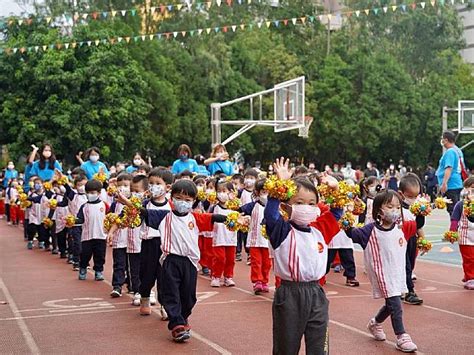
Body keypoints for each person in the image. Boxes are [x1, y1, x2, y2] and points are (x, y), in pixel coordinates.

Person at [113, 179, 245, 342]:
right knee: (171, 294)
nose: (183, 203)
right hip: (170, 261)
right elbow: (143, 212)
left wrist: (232, 218)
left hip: (189, 262)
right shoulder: (163, 216)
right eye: (179, 198)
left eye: (188, 200)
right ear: (172, 198)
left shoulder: (196, 218)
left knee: (189, 297)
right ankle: (176, 324)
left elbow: (214, 217)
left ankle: (183, 317)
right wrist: (125, 201)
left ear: (194, 201)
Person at [265, 157, 342, 355]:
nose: (306, 207)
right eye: (299, 202)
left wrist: (334, 188)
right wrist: (279, 185)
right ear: (286, 206)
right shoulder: (282, 231)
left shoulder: (319, 231)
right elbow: (271, 215)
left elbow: (336, 213)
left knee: (319, 346)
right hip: (290, 294)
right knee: (286, 347)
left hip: (316, 293)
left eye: (311, 203)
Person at [345, 190, 425, 353]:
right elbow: (352, 234)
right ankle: (401, 336)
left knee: (391, 304)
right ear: (379, 210)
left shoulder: (400, 228)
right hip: (382, 274)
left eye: (397, 206)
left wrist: (421, 213)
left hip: (398, 273)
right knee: (395, 304)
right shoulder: (369, 231)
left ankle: (375, 323)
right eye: (390, 206)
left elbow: (417, 225)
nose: (394, 210)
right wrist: (346, 220)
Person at [139, 168, 173, 318]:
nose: (154, 186)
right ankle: (145, 297)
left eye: (158, 183)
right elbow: (134, 219)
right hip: (149, 244)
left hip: (166, 246)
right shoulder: (145, 204)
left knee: (165, 277)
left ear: (168, 187)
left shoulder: (172, 205)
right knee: (147, 275)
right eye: (151, 183)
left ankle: (165, 305)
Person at [239, 179, 272, 294]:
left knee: (267, 263)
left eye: (268, 191)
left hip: (268, 242)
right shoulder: (252, 206)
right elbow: (240, 211)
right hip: (255, 240)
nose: (266, 194)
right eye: (263, 191)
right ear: (257, 192)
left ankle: (264, 281)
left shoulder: (273, 208)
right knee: (256, 262)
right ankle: (257, 281)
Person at [399, 173, 424, 305]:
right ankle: (409, 291)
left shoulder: (416, 207)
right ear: (401, 194)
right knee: (405, 266)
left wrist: (421, 214)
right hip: (400, 241)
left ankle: (402, 288)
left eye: (416, 196)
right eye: (410, 197)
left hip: (412, 240)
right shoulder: (397, 207)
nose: (413, 199)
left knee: (410, 264)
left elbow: (419, 225)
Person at [76, 179, 108, 281]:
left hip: (101, 235)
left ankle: (98, 271)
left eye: (93, 193)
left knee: (100, 255)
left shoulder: (104, 205)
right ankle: (83, 267)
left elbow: (111, 217)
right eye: (88, 193)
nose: (90, 195)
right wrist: (72, 221)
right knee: (85, 254)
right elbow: (79, 219)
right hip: (87, 236)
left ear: (99, 193)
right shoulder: (84, 207)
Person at [108, 173, 133, 298]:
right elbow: (111, 218)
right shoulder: (115, 204)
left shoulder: (135, 203)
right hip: (119, 239)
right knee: (119, 263)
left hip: (132, 240)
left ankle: (132, 285)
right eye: (120, 186)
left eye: (126, 185)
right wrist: (110, 231)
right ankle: (117, 286)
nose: (123, 188)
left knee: (132, 264)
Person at [210, 180, 239, 287]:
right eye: (219, 191)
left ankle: (228, 277)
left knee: (231, 259)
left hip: (231, 238)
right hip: (219, 239)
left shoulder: (235, 207)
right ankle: (216, 276)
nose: (221, 193)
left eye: (224, 191)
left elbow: (240, 218)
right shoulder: (215, 207)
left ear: (231, 192)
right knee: (220, 258)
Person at [449, 176, 474, 290]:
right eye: (471, 188)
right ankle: (470, 278)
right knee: (469, 258)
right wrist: (452, 232)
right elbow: (454, 219)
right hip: (465, 237)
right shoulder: (460, 204)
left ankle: (469, 275)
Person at [437, 131, 467, 215]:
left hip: (451, 184)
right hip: (455, 183)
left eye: (442, 138)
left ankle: (454, 227)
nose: (441, 140)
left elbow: (448, 168)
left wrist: (444, 183)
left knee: (453, 210)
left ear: (446, 140)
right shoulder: (456, 150)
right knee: (454, 208)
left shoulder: (450, 152)